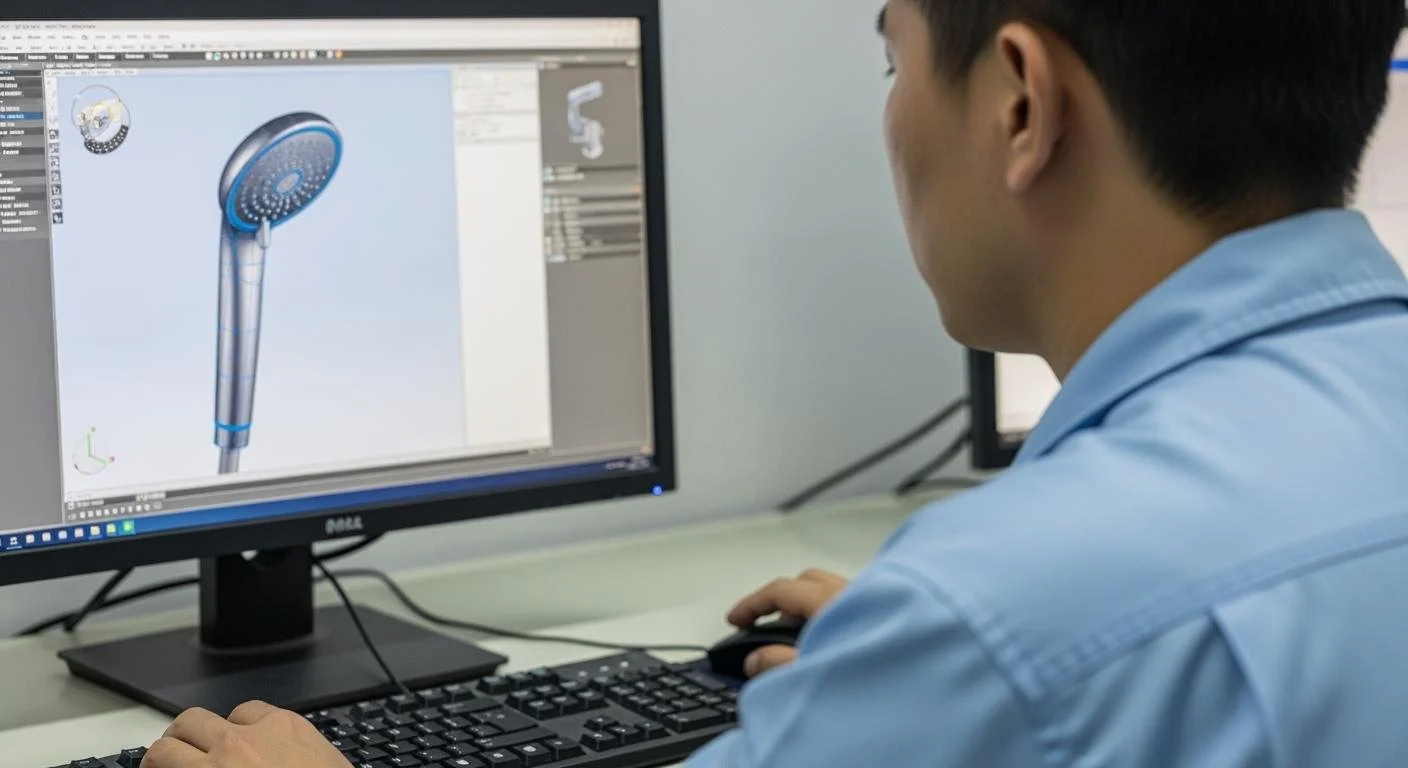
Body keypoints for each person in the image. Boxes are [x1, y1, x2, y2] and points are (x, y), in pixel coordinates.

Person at [142, 0, 1408, 765]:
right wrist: (905, 686)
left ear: (1021, 103)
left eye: (892, 61)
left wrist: (947, 654)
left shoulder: (997, 613)